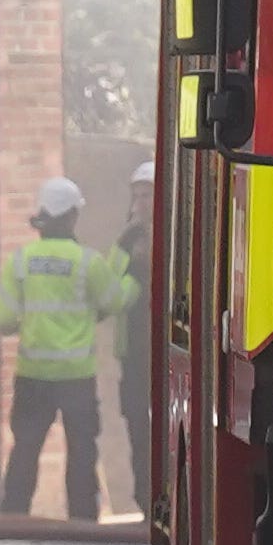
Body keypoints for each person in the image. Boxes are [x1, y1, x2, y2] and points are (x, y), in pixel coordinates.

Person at [0, 176, 129, 523]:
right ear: (72, 217)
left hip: (32, 375)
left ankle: (13, 516)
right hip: (76, 378)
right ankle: (83, 519)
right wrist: (134, 278)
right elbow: (115, 301)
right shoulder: (88, 262)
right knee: (82, 451)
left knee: (25, 449)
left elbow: (4, 319)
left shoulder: (21, 261)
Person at [112, 160, 155, 515]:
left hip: (165, 352)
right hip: (135, 356)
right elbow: (110, 290)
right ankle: (144, 500)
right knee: (138, 431)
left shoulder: (178, 232)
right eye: (136, 195)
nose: (140, 202)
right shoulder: (125, 240)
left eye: (147, 194)